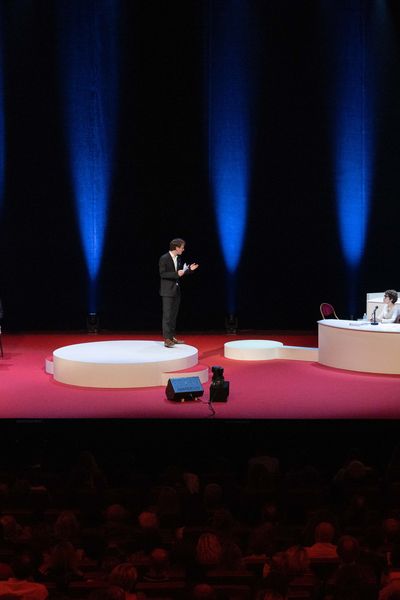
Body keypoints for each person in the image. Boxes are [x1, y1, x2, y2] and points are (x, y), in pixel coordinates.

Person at [159, 238, 198, 348]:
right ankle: (167, 339)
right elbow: (163, 274)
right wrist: (177, 273)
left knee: (173, 315)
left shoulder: (178, 258)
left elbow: (180, 273)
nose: (183, 249)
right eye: (182, 247)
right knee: (167, 316)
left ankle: (171, 337)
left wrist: (189, 270)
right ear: (176, 248)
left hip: (176, 290)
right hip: (167, 291)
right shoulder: (164, 258)